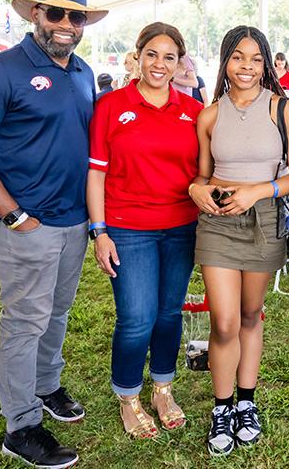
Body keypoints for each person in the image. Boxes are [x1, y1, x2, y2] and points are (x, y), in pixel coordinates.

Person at [0, 0, 108, 469]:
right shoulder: (1, 70)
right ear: (35, 15)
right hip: (27, 225)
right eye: (55, 13)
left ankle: (46, 386)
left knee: (56, 314)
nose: (65, 24)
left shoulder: (82, 71)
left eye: (75, 16)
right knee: (24, 323)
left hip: (74, 223)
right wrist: (13, 215)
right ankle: (20, 425)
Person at [87, 22, 204, 440]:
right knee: (137, 318)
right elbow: (96, 174)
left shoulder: (192, 111)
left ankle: (162, 389)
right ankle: (129, 398)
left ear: (179, 63)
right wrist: (98, 231)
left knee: (169, 314)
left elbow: (203, 171)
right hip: (127, 228)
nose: (159, 64)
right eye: (151, 54)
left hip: (181, 228)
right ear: (137, 57)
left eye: (169, 57)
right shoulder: (111, 105)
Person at [188, 25, 289, 456]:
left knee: (251, 316)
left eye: (255, 59)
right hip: (216, 220)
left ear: (266, 64)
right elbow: (201, 172)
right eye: (238, 58)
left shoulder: (282, 109)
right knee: (225, 321)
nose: (246, 67)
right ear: (225, 62)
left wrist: (259, 190)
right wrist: (197, 189)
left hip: (264, 220)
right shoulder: (210, 114)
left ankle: (246, 402)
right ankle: (222, 406)